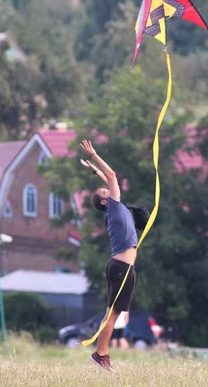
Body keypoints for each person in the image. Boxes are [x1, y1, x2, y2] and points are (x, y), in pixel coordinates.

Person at [79, 140, 139, 372]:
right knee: (111, 317)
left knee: (113, 316)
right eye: (106, 191)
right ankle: (100, 355)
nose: (109, 186)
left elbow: (108, 180)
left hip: (124, 268)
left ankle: (101, 354)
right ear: (105, 200)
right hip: (120, 268)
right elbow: (112, 175)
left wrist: (95, 172)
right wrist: (94, 155)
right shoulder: (113, 208)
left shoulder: (115, 207)